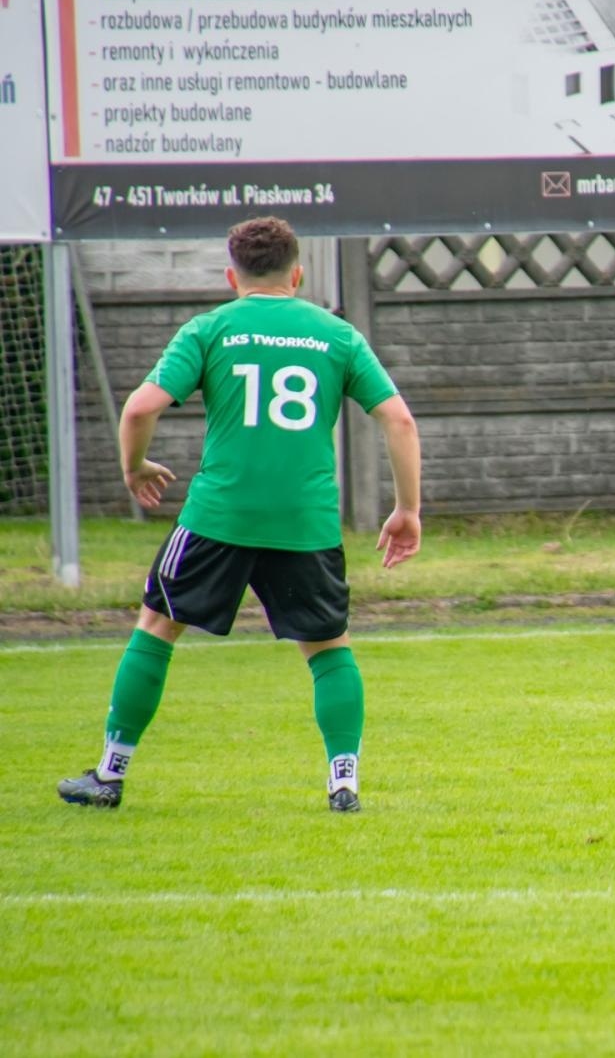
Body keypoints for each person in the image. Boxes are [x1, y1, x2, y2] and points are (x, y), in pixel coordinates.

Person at [56, 216, 422, 814]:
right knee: (329, 648)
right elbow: (399, 420)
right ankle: (344, 781)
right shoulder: (336, 335)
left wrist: (136, 468)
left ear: (232, 276)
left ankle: (110, 772)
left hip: (218, 518)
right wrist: (406, 509)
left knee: (157, 627)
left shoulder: (210, 329)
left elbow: (141, 407)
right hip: (305, 522)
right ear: (297, 274)